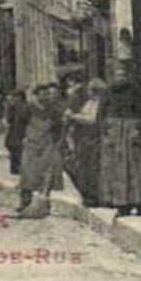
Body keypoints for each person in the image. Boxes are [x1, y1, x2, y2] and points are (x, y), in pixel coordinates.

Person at [100, 64, 141, 217]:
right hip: (115, 134)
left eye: (123, 75)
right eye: (117, 75)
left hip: (133, 133)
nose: (120, 78)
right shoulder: (108, 93)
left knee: (138, 167)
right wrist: (106, 131)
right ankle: (122, 204)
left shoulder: (136, 93)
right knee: (118, 169)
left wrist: (139, 129)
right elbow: (101, 114)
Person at [16, 84, 65, 219]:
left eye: (47, 94)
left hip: (47, 144)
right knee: (27, 172)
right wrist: (22, 139)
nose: (45, 97)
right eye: (42, 94)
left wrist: (55, 142)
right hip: (31, 143)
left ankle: (44, 204)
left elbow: (58, 127)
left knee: (46, 174)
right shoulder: (28, 108)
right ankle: (25, 203)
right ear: (36, 95)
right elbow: (19, 125)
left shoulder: (54, 110)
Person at [64, 78, 105, 206]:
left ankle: (93, 196)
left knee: (91, 167)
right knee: (82, 166)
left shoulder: (99, 103)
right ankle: (86, 194)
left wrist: (74, 117)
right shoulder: (89, 102)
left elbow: (92, 120)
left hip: (93, 138)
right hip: (83, 138)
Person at [2, 89, 28, 175]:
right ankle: (15, 169)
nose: (13, 99)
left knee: (18, 150)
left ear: (20, 97)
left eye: (15, 97)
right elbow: (8, 119)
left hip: (20, 132)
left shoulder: (24, 106)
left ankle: (18, 168)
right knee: (14, 150)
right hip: (14, 132)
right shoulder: (13, 106)